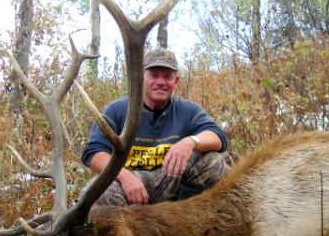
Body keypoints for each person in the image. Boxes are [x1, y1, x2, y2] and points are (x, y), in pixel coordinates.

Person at [81, 47, 230, 206]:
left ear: (176, 81)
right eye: (153, 75)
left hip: (171, 181)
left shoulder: (187, 110)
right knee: (96, 192)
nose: (161, 82)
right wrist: (125, 176)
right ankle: (127, 229)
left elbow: (218, 136)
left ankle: (213, 224)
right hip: (128, 185)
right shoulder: (117, 110)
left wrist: (190, 142)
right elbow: (93, 152)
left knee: (212, 161)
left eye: (167, 77)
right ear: (141, 78)